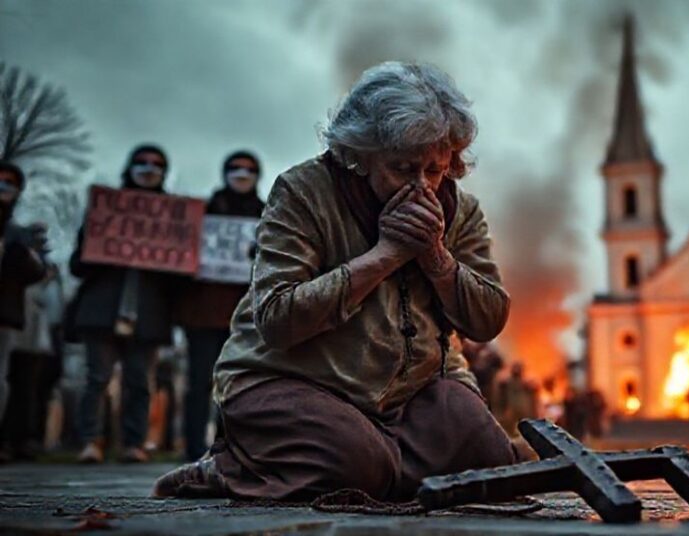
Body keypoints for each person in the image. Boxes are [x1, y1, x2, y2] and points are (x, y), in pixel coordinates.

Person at [153, 62, 516, 501]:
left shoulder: (461, 210)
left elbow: (489, 318)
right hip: (290, 381)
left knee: (490, 459)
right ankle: (229, 468)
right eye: (402, 168)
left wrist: (436, 258)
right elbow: (277, 320)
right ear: (360, 156)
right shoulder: (302, 191)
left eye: (435, 170)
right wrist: (384, 256)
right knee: (357, 464)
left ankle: (382, 462)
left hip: (409, 393)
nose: (423, 188)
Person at [69, 145, 182, 463]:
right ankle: (90, 442)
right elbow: (76, 266)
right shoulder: (105, 213)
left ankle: (133, 444)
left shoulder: (173, 220)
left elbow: (181, 279)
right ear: (129, 167)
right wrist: (102, 251)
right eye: (142, 163)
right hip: (101, 312)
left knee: (139, 382)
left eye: (157, 164)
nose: (149, 168)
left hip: (148, 316)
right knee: (96, 379)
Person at [176, 151, 265, 461]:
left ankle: (227, 447)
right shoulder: (202, 213)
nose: (241, 174)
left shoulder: (269, 214)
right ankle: (192, 449)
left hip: (247, 318)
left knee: (238, 385)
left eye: (248, 169)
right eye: (235, 168)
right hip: (201, 314)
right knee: (199, 382)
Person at [0, 161, 49, 461]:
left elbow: (36, 273)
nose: (3, 187)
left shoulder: (19, 234)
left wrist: (22, 251)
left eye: (9, 182)